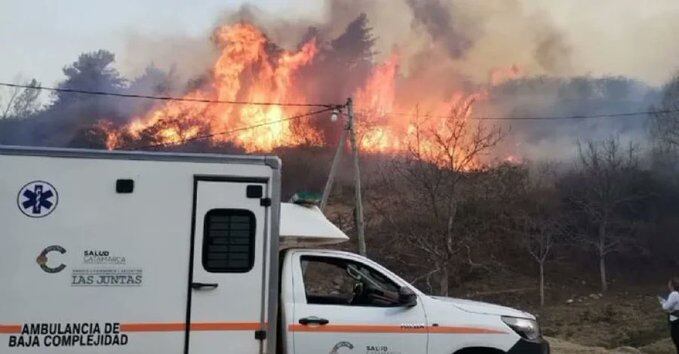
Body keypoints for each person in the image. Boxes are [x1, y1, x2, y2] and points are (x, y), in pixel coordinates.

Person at [660, 277, 679, 353]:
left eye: (669, 284)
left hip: (676, 320)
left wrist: (662, 302)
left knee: (677, 339)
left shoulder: (674, 294)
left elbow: (666, 307)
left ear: (672, 285)